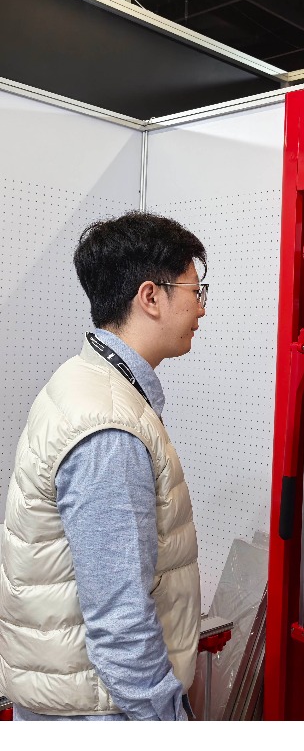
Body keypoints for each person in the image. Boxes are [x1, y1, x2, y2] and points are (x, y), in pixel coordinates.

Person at [0, 211, 208, 720]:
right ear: (150, 297)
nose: (201, 307)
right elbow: (120, 620)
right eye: (194, 291)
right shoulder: (109, 427)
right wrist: (165, 718)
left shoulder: (86, 382)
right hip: (101, 711)